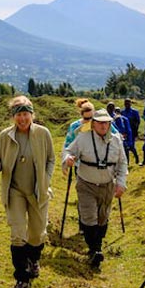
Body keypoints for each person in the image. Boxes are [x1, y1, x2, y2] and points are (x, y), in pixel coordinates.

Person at [0, 96, 55, 288]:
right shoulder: (5, 136)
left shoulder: (43, 134)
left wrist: (45, 179)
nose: (22, 119)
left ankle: (34, 259)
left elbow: (51, 159)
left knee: (36, 234)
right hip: (14, 191)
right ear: (13, 117)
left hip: (37, 191)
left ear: (32, 115)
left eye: (25, 114)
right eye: (18, 115)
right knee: (18, 234)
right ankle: (22, 279)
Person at [62, 109, 128, 269]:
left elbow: (122, 163)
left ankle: (96, 245)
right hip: (86, 185)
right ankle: (94, 250)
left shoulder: (117, 140)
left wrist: (121, 183)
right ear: (93, 124)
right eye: (100, 122)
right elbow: (68, 150)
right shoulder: (83, 138)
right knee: (89, 217)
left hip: (107, 185)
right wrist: (68, 159)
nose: (103, 125)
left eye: (106, 122)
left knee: (102, 218)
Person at [64, 99, 96, 235]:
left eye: (91, 118)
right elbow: (67, 144)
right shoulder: (74, 127)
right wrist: (68, 157)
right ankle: (83, 225)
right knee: (83, 196)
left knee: (98, 195)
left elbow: (114, 135)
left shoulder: (102, 122)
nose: (89, 121)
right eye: (86, 118)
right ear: (81, 116)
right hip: (81, 166)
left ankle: (97, 223)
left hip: (100, 165)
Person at [121, 97, 141, 164]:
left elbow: (138, 121)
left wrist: (135, 130)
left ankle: (136, 157)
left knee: (131, 146)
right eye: (125, 103)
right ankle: (127, 162)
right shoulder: (122, 112)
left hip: (132, 131)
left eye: (128, 103)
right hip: (125, 131)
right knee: (125, 147)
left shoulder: (135, 112)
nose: (127, 104)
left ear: (130, 103)